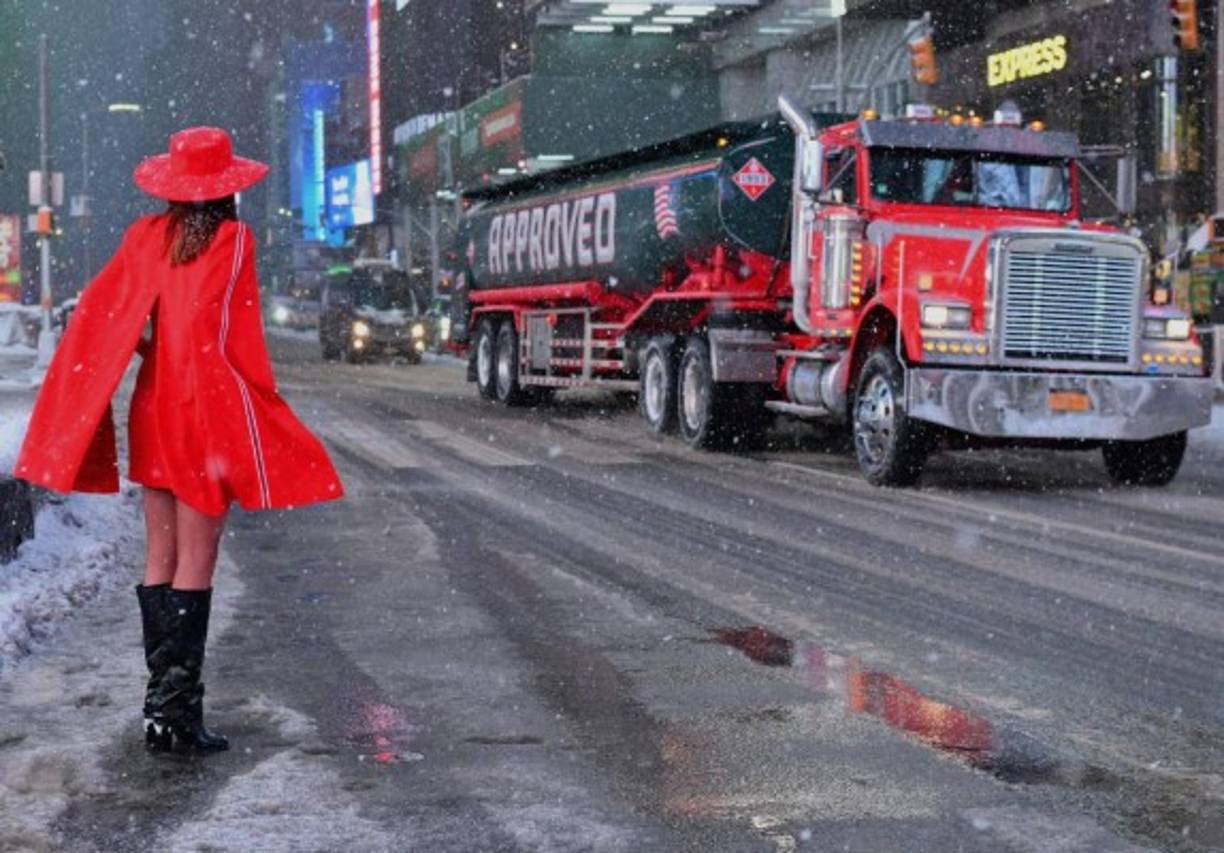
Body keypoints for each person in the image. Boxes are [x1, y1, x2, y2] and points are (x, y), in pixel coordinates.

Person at [12, 127, 344, 753]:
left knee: (160, 554)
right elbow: (225, 334)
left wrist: (142, 349)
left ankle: (160, 710)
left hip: (154, 405)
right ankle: (178, 713)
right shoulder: (233, 240)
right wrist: (253, 407)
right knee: (198, 557)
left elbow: (108, 310)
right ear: (225, 189)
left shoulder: (146, 236)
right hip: (202, 408)